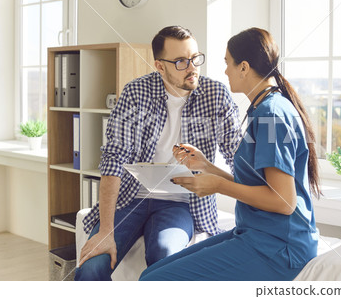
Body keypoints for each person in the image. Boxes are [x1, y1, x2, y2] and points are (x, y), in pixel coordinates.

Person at [139, 27, 321, 281]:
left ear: (244, 67)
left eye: (228, 63)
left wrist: (218, 186)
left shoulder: (272, 114)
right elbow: (260, 187)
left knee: (153, 282)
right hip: (257, 234)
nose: (225, 71)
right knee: (151, 274)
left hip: (280, 248)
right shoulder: (263, 109)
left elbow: (283, 201)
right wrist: (207, 167)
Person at [74, 26, 241, 281]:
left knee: (164, 258)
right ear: (160, 66)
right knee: (91, 267)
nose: (192, 67)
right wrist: (106, 230)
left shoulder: (216, 95)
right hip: (131, 198)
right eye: (181, 62)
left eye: (195, 58)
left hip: (181, 203)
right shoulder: (135, 93)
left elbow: (237, 157)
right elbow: (113, 158)